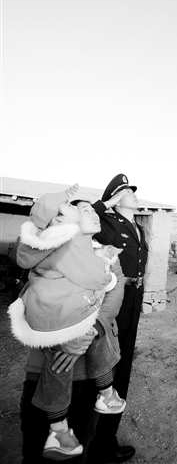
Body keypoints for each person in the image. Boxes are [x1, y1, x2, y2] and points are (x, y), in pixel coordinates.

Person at [17, 200, 125, 464]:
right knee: (36, 448)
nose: (93, 213)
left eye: (93, 209)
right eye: (84, 210)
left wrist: (89, 332)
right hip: (48, 365)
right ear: (63, 222)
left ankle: (102, 398)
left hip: (90, 370)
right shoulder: (49, 252)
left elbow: (115, 293)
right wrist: (63, 338)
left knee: (82, 443)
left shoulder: (107, 253)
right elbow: (31, 301)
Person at [88, 174, 149, 464]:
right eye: (127, 191)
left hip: (133, 299)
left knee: (122, 367)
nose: (134, 194)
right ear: (114, 198)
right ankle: (94, 441)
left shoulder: (138, 227)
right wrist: (106, 204)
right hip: (113, 300)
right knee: (106, 363)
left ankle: (104, 441)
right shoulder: (106, 222)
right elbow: (78, 223)